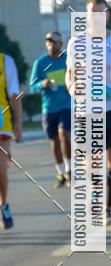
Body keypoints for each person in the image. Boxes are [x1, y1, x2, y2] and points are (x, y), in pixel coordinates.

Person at [66, 0, 111, 225]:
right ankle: (98, 200)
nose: (96, 17)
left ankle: (107, 206)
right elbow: (70, 75)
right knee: (94, 161)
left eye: (101, 13)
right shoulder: (76, 43)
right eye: (91, 13)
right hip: (88, 109)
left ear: (107, 15)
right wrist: (71, 87)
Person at [29, 31, 72, 187]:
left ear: (60, 43)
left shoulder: (68, 59)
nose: (50, 44)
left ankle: (70, 170)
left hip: (67, 105)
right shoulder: (40, 63)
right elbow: (32, 86)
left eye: (54, 41)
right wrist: (42, 84)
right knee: (54, 141)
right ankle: (61, 174)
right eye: (48, 41)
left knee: (64, 134)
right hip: (49, 108)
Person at [0, 51, 23, 229]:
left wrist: (19, 123)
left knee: (0, 169)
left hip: (2, 123)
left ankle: (4, 205)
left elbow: (14, 94)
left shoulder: (5, 61)